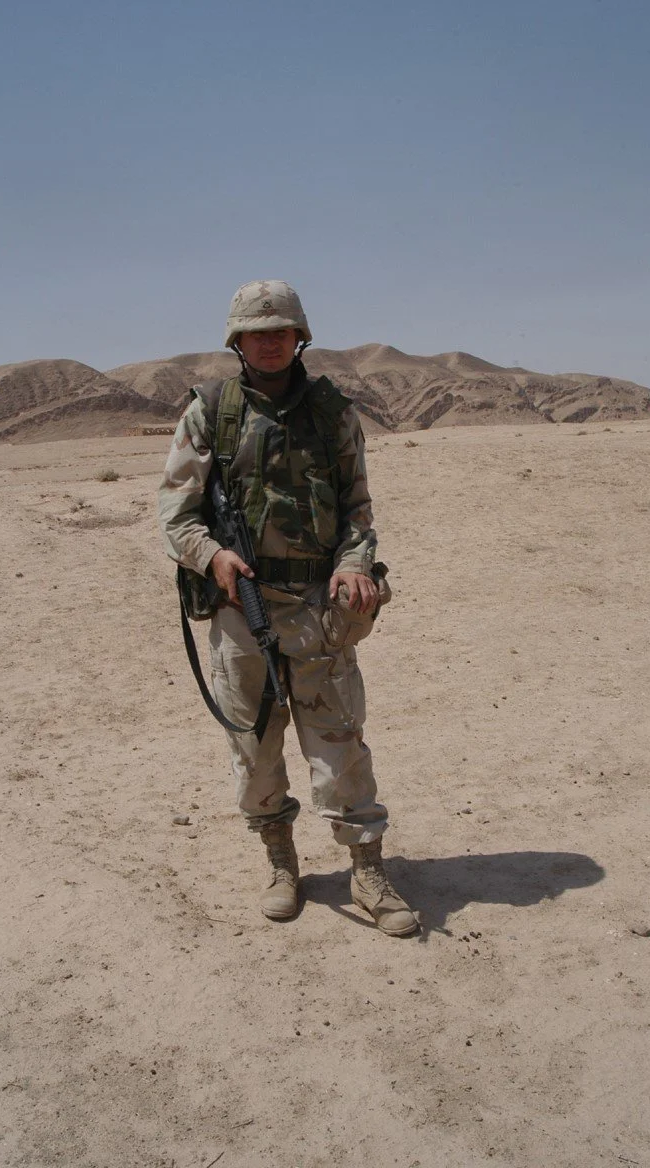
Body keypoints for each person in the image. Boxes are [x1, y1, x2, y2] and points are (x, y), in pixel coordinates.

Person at [158, 280, 417, 937]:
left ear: (299, 337)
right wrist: (213, 558)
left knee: (340, 743)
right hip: (238, 608)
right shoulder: (208, 412)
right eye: (256, 333)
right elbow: (177, 515)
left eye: (280, 332)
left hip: (318, 606)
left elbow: (357, 509)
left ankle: (366, 868)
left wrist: (355, 564)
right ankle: (279, 859)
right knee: (253, 744)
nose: (269, 342)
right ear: (237, 342)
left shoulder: (333, 413)